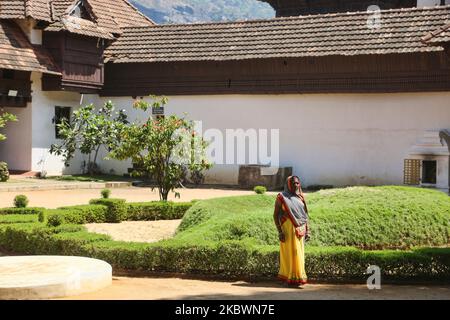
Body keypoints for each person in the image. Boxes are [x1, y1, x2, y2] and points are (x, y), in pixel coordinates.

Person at [273, 175, 310, 287]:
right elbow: (275, 215)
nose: (296, 185)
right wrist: (280, 232)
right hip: (287, 231)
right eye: (293, 183)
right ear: (288, 184)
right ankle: (288, 278)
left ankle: (298, 278)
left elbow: (305, 216)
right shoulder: (281, 197)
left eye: (297, 183)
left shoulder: (301, 197)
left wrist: (308, 231)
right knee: (288, 254)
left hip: (300, 231)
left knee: (298, 254)